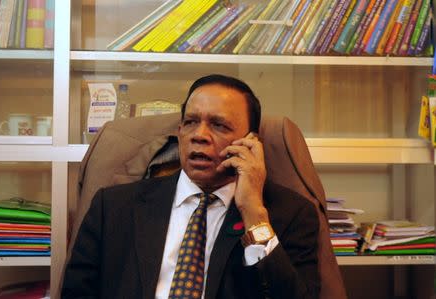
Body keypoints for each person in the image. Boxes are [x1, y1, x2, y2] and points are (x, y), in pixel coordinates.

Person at [61, 74, 320, 298]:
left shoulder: (290, 215)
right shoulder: (114, 207)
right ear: (180, 131)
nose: (199, 135)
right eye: (191, 122)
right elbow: (76, 293)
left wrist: (253, 213)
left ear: (250, 143)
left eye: (218, 125)